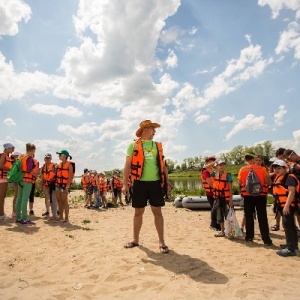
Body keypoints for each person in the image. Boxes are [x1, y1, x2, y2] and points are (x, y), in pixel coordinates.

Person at [122, 120, 171, 254]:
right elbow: (127, 165)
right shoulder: (133, 145)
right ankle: (135, 240)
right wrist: (125, 184)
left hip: (155, 183)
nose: (155, 132)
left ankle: (162, 242)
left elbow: (163, 166)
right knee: (138, 212)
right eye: (152, 129)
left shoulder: (157, 146)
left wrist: (167, 182)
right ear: (145, 130)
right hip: (139, 183)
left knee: (157, 212)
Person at [238, 152, 272, 245]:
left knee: (249, 216)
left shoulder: (242, 169)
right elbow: (268, 182)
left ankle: (249, 237)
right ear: (253, 159)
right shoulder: (262, 169)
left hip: (247, 196)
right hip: (260, 195)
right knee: (262, 217)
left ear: (246, 160)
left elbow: (239, 182)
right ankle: (266, 240)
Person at [272, 159, 299, 257]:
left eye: (279, 168)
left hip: (288, 206)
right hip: (283, 205)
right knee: (290, 225)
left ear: (285, 168)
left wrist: (287, 206)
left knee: (288, 226)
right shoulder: (280, 177)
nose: (276, 170)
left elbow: (291, 192)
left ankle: (291, 249)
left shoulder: (289, 177)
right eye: (275, 168)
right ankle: (292, 245)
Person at [15, 143, 36, 225]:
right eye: (34, 150)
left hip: (20, 180)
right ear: (31, 150)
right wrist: (35, 174)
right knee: (25, 199)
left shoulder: (21, 157)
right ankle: (24, 218)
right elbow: (29, 169)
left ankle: (18, 218)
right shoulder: (29, 158)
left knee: (19, 199)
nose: (34, 152)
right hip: (27, 181)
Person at [212, 160, 234, 237]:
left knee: (228, 215)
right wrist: (214, 161)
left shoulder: (228, 175)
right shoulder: (214, 174)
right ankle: (222, 231)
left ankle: (230, 232)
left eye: (223, 165)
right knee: (219, 215)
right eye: (220, 165)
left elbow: (231, 189)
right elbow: (205, 168)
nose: (221, 166)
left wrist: (231, 200)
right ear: (217, 166)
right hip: (218, 198)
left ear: (225, 166)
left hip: (226, 199)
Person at [201, 156, 220, 231]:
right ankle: (213, 224)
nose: (212, 163)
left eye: (213, 162)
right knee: (214, 208)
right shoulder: (205, 171)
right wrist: (216, 188)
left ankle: (218, 224)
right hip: (210, 193)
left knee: (217, 208)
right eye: (210, 162)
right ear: (207, 163)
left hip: (216, 192)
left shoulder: (213, 171)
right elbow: (210, 183)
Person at [269, 148, 286, 231]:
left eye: (283, 154)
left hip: (286, 187)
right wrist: (275, 172)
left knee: (292, 208)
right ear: (277, 155)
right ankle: (277, 224)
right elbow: (269, 175)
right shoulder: (274, 165)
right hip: (277, 188)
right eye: (280, 154)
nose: (282, 156)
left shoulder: (287, 164)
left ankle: (295, 227)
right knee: (277, 207)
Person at [55, 149, 74, 223]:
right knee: (59, 201)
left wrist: (67, 186)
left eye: (60, 154)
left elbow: (70, 177)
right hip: (58, 185)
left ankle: (66, 218)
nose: (59, 156)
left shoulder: (69, 165)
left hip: (64, 186)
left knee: (64, 201)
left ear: (64, 156)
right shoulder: (59, 164)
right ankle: (60, 217)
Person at [0, 143, 15, 220]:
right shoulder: (3, 155)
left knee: (2, 196)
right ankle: (1, 214)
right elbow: (1, 165)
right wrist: (11, 169)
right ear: (7, 148)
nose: (13, 150)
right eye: (12, 148)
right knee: (2, 197)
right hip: (2, 178)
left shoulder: (6, 156)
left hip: (4, 178)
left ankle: (2, 213)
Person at [41, 153, 57, 220]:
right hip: (45, 185)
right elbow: (42, 177)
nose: (47, 159)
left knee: (53, 199)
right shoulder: (43, 167)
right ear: (44, 159)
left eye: (49, 158)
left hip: (52, 185)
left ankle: (54, 214)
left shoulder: (54, 166)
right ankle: (47, 211)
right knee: (47, 198)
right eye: (46, 158)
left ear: (51, 159)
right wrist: (41, 185)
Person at [10, 151, 21, 217]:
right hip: (17, 180)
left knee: (17, 195)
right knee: (16, 195)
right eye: (17, 156)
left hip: (17, 180)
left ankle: (16, 210)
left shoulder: (14, 163)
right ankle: (14, 211)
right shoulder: (15, 163)